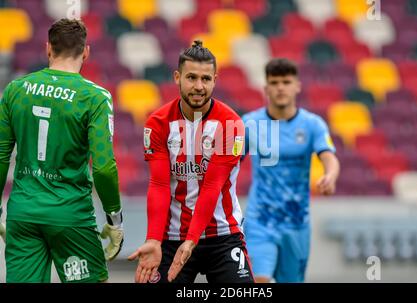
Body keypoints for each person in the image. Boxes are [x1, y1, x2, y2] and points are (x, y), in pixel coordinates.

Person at [0, 18, 124, 283]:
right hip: (71, 216)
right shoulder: (95, 97)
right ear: (86, 52)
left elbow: (0, 157)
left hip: (23, 214)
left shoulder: (15, 90)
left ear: (48, 49)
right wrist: (115, 220)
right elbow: (103, 167)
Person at [128, 40, 254, 283]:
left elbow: (212, 186)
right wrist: (153, 239)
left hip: (223, 234)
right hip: (173, 236)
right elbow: (159, 185)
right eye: (191, 77)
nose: (198, 86)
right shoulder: (158, 123)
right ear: (177, 77)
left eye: (206, 79)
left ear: (215, 80)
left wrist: (192, 240)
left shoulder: (232, 124)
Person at [242, 58, 340, 283]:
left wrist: (330, 175)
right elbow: (229, 162)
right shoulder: (249, 124)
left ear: (297, 86)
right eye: (274, 82)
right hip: (260, 220)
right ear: (266, 88)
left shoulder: (312, 124)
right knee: (259, 281)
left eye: (286, 82)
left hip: (296, 222)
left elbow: (329, 157)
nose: (280, 88)